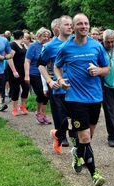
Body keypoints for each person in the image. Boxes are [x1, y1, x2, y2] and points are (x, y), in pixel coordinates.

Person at [54, 13, 110, 186]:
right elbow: (57, 66)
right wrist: (60, 80)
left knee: (88, 136)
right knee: (85, 136)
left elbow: (107, 68)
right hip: (75, 98)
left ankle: (77, 152)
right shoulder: (65, 48)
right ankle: (95, 174)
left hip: (95, 97)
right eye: (79, 24)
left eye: (86, 23)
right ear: (73, 27)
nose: (83, 26)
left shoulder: (97, 46)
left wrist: (98, 70)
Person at [38, 15, 74, 153]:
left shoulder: (77, 42)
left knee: (76, 116)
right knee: (61, 118)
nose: (70, 27)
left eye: (71, 24)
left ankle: (72, 136)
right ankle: (60, 136)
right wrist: (49, 81)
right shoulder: (50, 46)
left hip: (74, 88)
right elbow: (40, 65)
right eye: (66, 25)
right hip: (58, 88)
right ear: (58, 28)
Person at [24, 27, 51, 125]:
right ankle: (38, 112)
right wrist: (27, 75)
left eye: (48, 36)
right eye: (44, 36)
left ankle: (44, 115)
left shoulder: (48, 46)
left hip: (45, 74)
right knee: (40, 93)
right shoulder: (33, 46)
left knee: (47, 94)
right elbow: (27, 61)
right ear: (38, 36)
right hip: (34, 73)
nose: (46, 38)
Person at [6, 30, 29, 116]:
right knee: (16, 89)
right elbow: (9, 58)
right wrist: (14, 71)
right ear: (21, 36)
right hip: (15, 70)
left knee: (26, 87)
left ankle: (23, 106)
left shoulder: (22, 45)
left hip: (23, 70)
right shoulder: (12, 45)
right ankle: (14, 108)